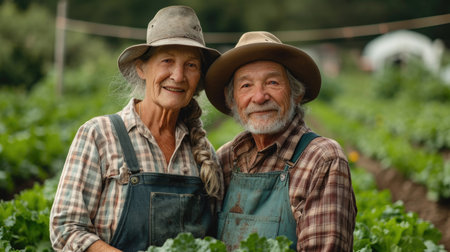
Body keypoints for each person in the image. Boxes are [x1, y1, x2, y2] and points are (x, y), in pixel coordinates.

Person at [50, 6, 223, 252]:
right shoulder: (99, 135)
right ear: (142, 68)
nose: (178, 75)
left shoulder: (204, 155)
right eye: (167, 61)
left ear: (199, 79)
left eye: (191, 65)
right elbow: (66, 230)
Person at [204, 31, 357, 251]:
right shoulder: (226, 158)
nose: (259, 97)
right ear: (232, 100)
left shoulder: (322, 159)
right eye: (246, 86)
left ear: (296, 93)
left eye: (272, 82)